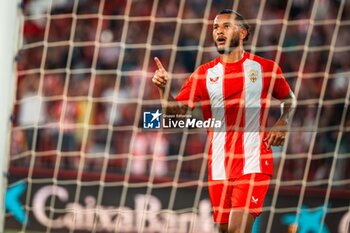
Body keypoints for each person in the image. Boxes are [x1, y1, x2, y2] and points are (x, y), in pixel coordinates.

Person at [152, 9, 296, 233]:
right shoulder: (204, 74)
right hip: (219, 166)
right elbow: (174, 114)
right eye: (215, 28)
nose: (219, 31)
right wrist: (163, 90)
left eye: (226, 26)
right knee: (224, 229)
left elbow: (289, 99)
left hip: (254, 162)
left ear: (243, 32)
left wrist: (283, 121)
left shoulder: (265, 68)